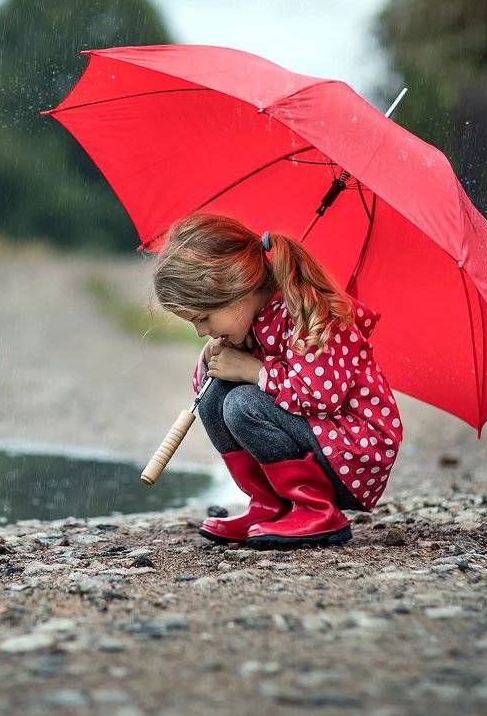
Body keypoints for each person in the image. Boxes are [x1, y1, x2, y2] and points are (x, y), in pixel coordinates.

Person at [151, 212, 403, 549]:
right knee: (216, 398)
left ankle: (316, 509)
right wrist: (211, 359)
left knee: (243, 404)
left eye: (204, 318)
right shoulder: (252, 319)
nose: (201, 331)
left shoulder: (310, 312)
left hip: (354, 452)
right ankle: (268, 505)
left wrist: (254, 371)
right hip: (316, 438)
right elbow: (208, 390)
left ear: (236, 289)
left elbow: (320, 397)